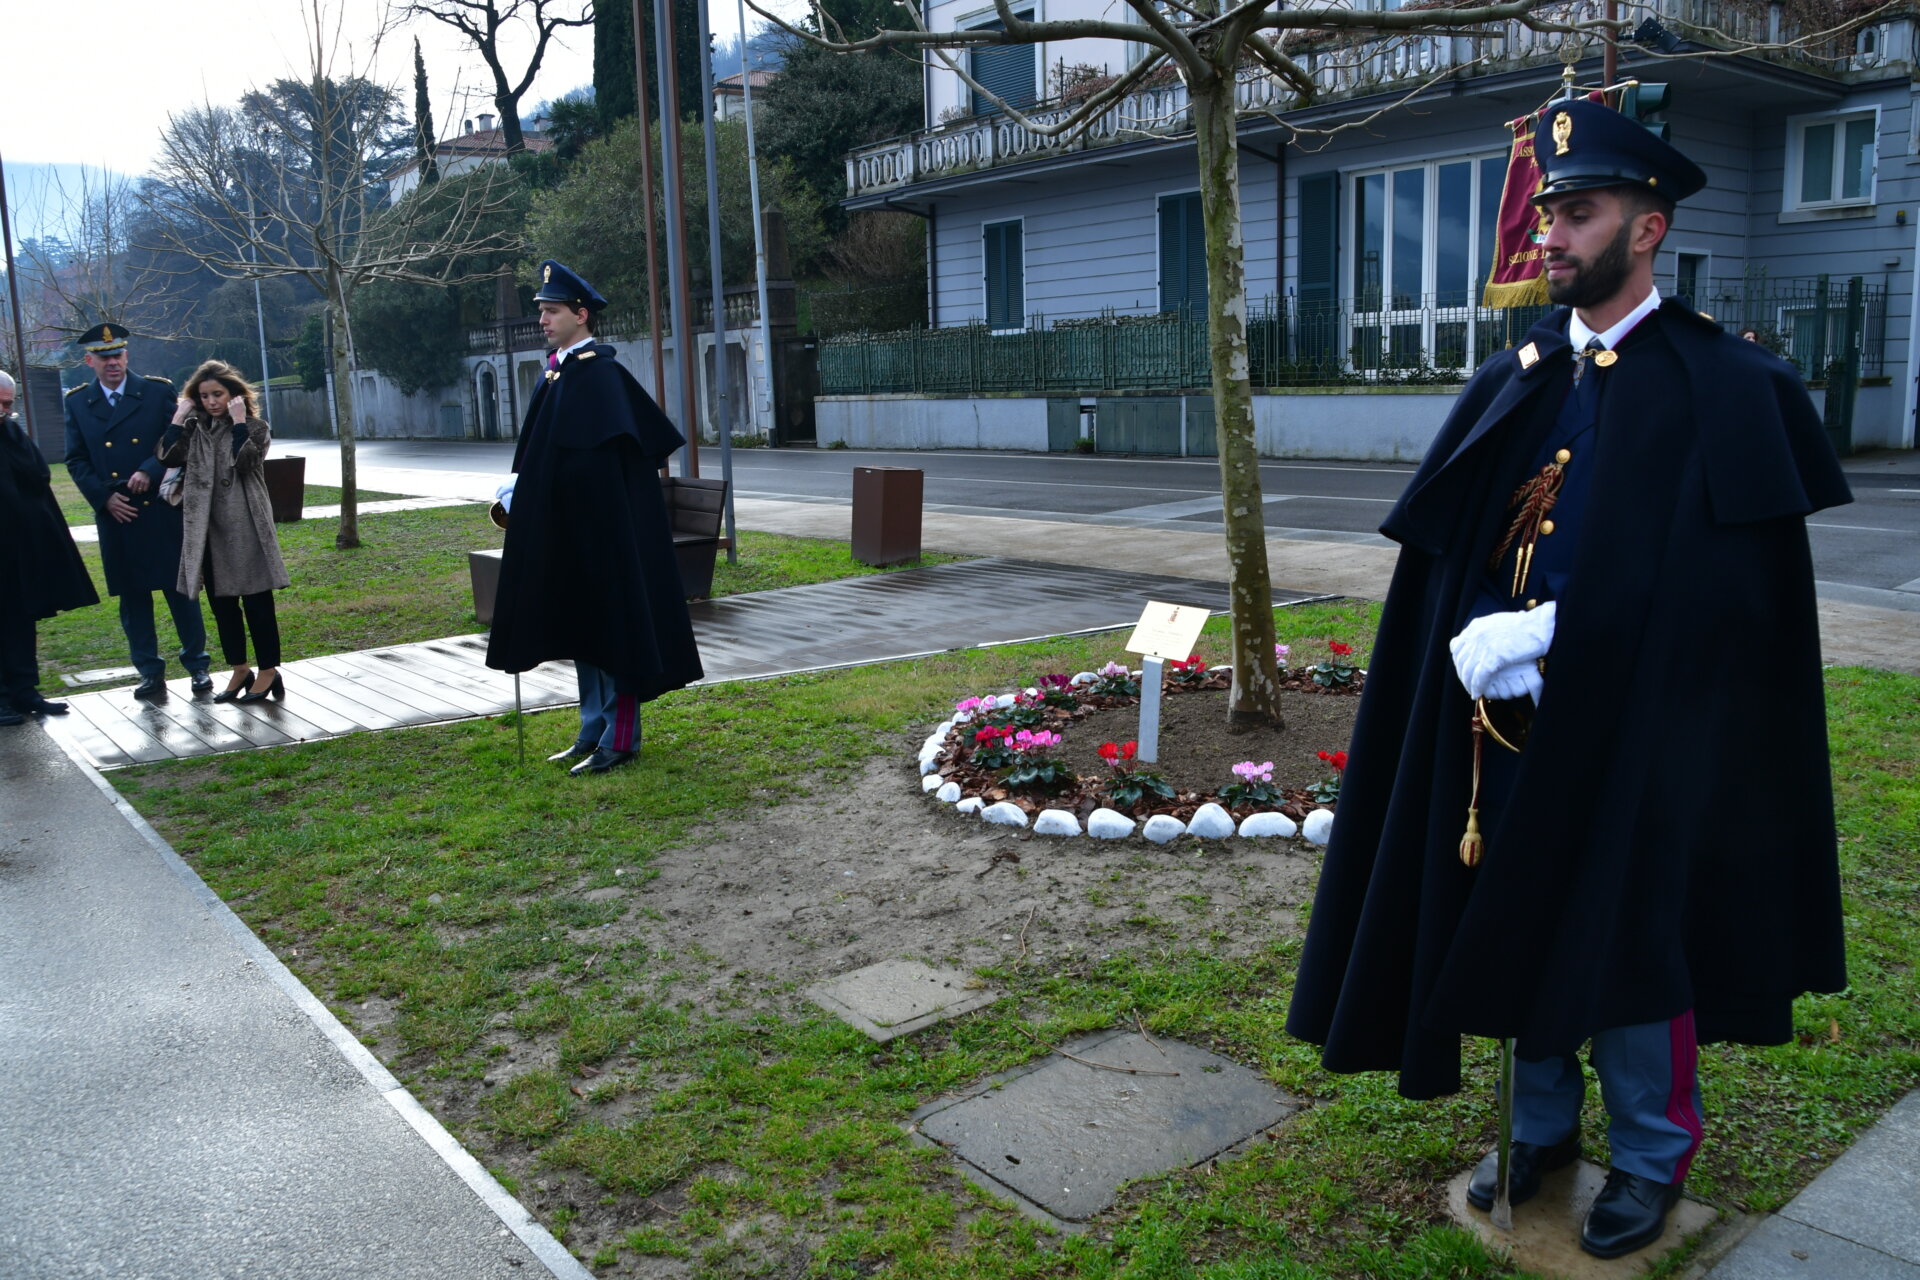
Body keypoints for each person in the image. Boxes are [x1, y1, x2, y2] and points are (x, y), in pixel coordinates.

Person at [1284, 98, 1851, 1260]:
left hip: (1650, 730)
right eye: (1548, 211)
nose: (1550, 234)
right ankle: (1540, 1128)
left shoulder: (1730, 389)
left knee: (1631, 932)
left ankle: (1648, 1152)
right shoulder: (1523, 376)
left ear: (1647, 230)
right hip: (1512, 726)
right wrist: (1483, 629)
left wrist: (1572, 632)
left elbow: (1742, 607)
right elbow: (1459, 555)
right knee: (1515, 913)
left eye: (1577, 213)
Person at [486, 261, 703, 776]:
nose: (542, 319)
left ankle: (621, 736)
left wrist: (544, 487)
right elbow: (549, 454)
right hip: (574, 532)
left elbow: (605, 467)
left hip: (608, 536)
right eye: (541, 310)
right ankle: (592, 727)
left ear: (581, 315)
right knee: (584, 625)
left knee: (616, 628)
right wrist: (525, 488)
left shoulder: (599, 374)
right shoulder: (559, 372)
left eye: (552, 310)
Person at [62, 323, 211, 701]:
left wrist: (150, 467)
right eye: (104, 357)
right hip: (118, 513)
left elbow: (176, 440)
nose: (112, 363)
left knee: (181, 594)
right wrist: (103, 498)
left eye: (118, 355)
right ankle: (149, 672)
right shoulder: (78, 402)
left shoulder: (157, 392)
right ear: (89, 361)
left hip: (158, 508)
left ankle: (198, 665)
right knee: (134, 599)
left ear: (127, 356)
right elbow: (76, 459)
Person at [157, 361, 291, 704]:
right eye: (204, 396)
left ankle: (268, 670)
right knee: (222, 606)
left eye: (218, 394)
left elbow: (246, 461)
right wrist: (178, 417)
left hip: (246, 526)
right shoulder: (193, 428)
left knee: (258, 602)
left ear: (233, 395)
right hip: (207, 528)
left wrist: (239, 421)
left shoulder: (255, 427)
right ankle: (239, 667)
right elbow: (167, 457)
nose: (211, 401)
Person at [0, 370, 100, 726]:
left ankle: (24, 690)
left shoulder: (10, 430)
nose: (3, 409)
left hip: (17, 547)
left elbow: (37, 475)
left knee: (20, 619)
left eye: (8, 403)